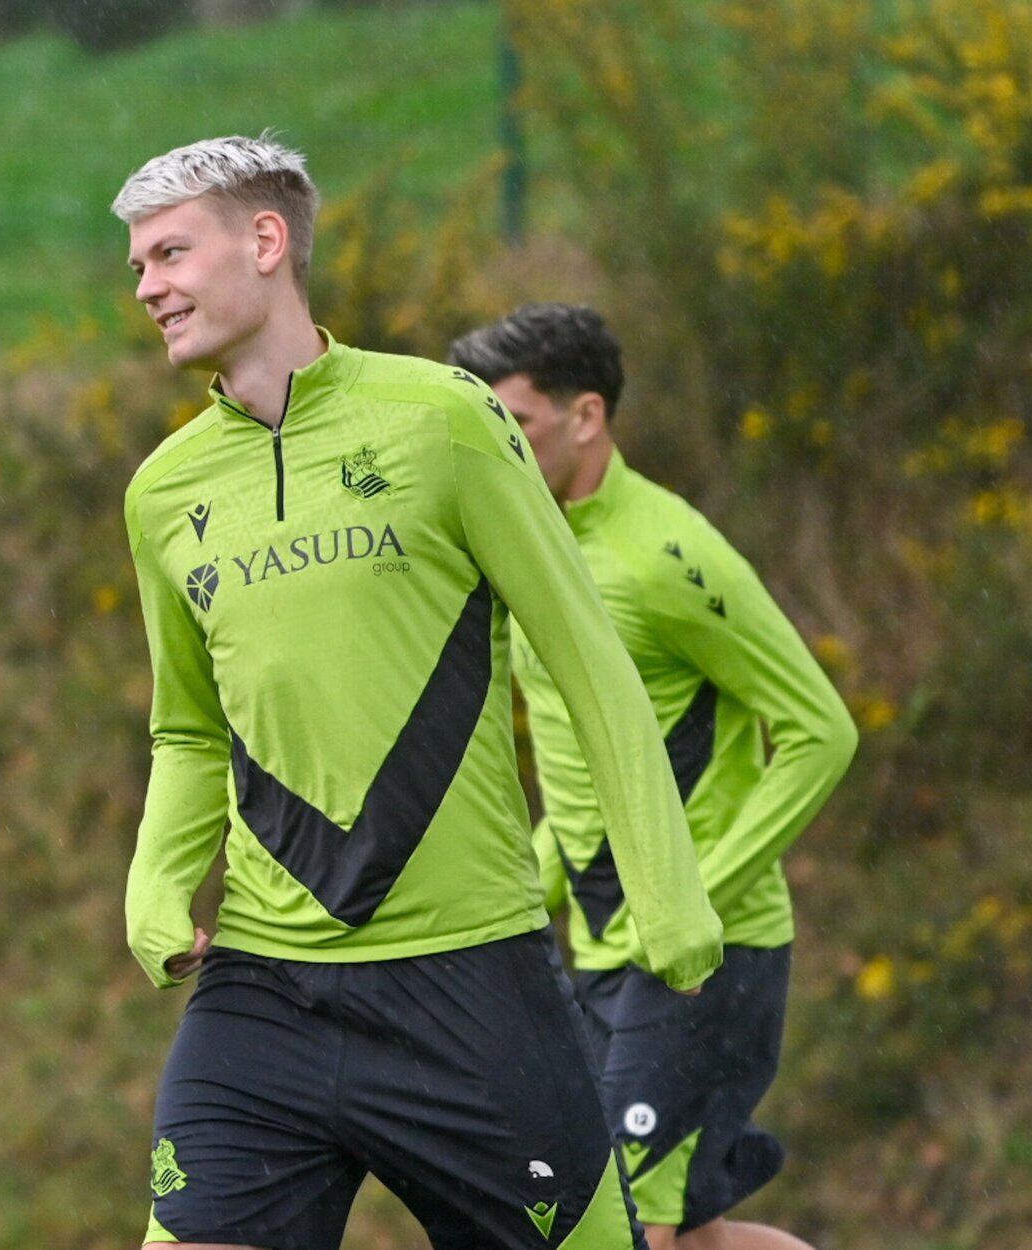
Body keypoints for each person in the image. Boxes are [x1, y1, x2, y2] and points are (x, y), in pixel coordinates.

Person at [113, 134, 723, 1250]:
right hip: (265, 986)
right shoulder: (163, 493)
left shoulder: (442, 420)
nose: (147, 285)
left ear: (264, 242)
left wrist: (664, 887)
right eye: (137, 264)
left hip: (468, 982)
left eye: (168, 253)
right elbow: (189, 728)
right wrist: (155, 882)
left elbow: (589, 661)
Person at [449, 304, 860, 1250]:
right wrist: (508, 900)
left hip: (696, 964)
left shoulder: (667, 555)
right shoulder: (530, 551)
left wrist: (694, 902)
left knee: (619, 1231)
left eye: (516, 426)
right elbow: (589, 788)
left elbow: (819, 731)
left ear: (585, 417)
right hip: (599, 955)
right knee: (690, 1235)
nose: (494, 449)